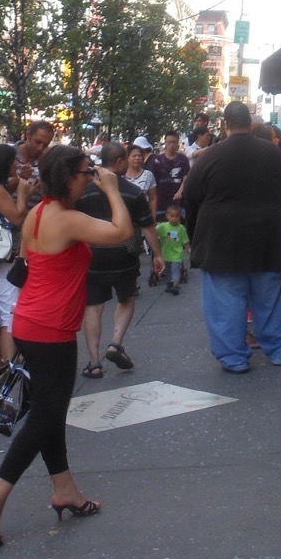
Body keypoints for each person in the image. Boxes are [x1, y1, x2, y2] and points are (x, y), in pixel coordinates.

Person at [0, 143, 132, 546]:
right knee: (44, 418)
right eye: (84, 173)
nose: (89, 178)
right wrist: (111, 187)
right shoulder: (66, 218)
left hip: (30, 323)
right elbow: (121, 232)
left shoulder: (38, 214)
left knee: (50, 413)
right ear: (68, 178)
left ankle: (65, 490)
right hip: (51, 331)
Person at [182, 99, 281, 374]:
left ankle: (233, 358)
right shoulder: (272, 154)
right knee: (272, 298)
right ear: (250, 123)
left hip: (221, 241)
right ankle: (279, 350)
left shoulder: (209, 156)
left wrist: (197, 235)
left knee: (225, 303)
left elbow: (190, 198)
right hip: (269, 237)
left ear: (225, 123)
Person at [77, 141, 163, 377]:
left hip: (92, 256)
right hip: (124, 254)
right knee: (125, 299)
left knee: (93, 307)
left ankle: (94, 363)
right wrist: (157, 254)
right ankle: (115, 343)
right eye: (126, 159)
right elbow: (147, 227)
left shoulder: (84, 190)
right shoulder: (133, 192)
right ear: (118, 162)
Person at [0, 143, 39, 380]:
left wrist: (27, 191)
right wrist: (22, 195)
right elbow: (18, 217)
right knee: (11, 314)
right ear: (5, 162)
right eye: (14, 161)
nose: (17, 164)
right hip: (0, 261)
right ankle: (9, 374)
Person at [148, 131, 190, 219]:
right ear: (165, 143)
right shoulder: (156, 160)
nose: (172, 144)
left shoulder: (183, 159)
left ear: (177, 143)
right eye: (169, 142)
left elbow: (186, 177)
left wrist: (180, 192)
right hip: (161, 202)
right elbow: (152, 181)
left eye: (174, 142)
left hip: (178, 203)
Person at [155, 205, 190, 295]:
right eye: (172, 216)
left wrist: (188, 248)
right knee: (168, 271)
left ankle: (175, 285)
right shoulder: (163, 227)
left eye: (177, 216)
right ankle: (169, 285)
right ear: (167, 216)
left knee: (175, 270)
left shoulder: (181, 228)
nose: (174, 219)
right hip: (165, 254)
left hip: (176, 254)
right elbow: (153, 231)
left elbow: (185, 239)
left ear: (180, 216)